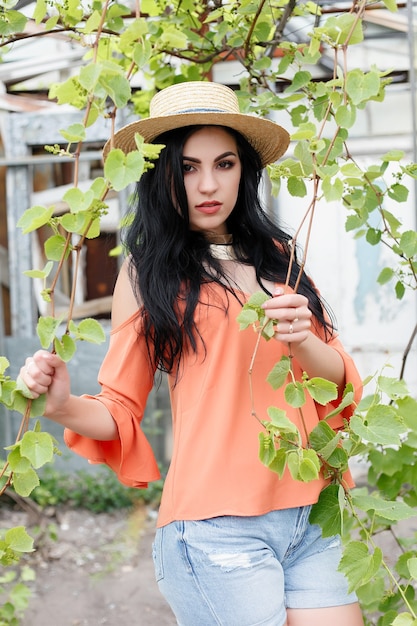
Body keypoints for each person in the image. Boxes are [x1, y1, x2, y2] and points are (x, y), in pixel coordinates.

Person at [19, 81, 364, 626]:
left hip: (315, 510)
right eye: (187, 167)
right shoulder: (149, 272)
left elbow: (339, 381)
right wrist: (60, 404)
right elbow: (118, 411)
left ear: (243, 172)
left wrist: (302, 337)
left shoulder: (278, 256)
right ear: (162, 176)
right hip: (218, 527)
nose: (208, 184)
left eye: (224, 164)